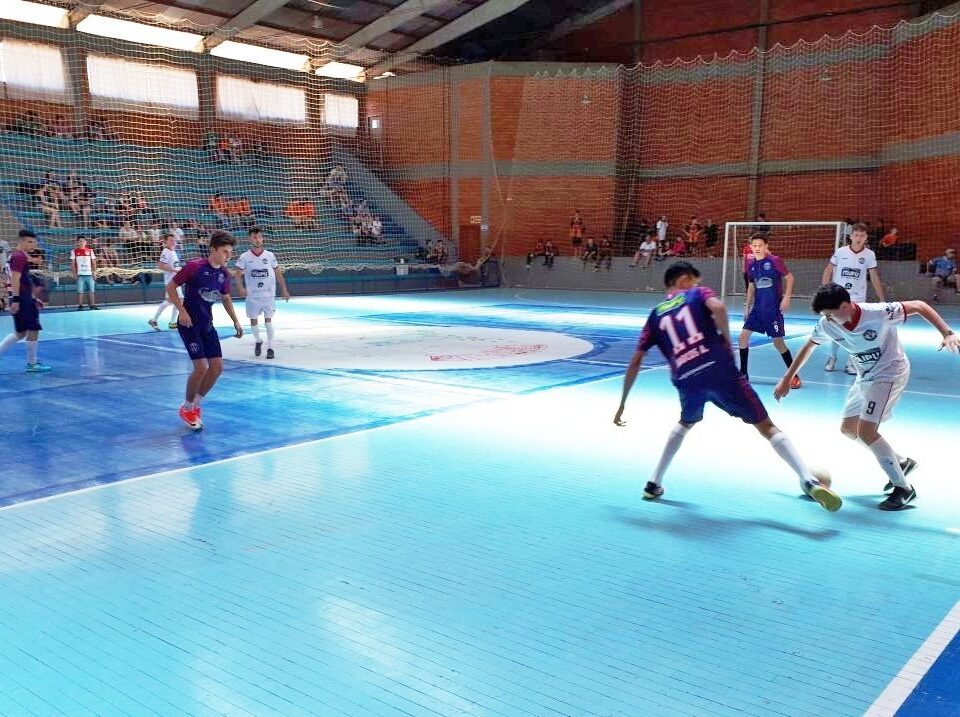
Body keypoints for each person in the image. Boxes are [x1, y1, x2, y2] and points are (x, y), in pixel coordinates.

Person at [613, 261, 842, 512]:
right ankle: (808, 480)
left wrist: (622, 404)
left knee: (686, 422)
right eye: (693, 280)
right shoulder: (697, 294)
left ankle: (653, 482)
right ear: (683, 280)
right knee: (765, 426)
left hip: (687, 379)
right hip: (718, 369)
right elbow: (719, 307)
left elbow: (636, 360)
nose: (696, 284)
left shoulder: (655, 314)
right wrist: (725, 342)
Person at [775, 283, 959, 510]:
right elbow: (809, 346)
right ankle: (901, 462)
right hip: (865, 377)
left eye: (830, 314)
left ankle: (904, 488)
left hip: (890, 373)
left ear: (845, 306)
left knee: (866, 431)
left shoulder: (878, 313)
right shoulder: (827, 324)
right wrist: (787, 378)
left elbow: (920, 306)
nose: (827, 319)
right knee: (848, 429)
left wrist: (947, 333)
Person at [166, 230, 243, 430]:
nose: (228, 256)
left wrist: (235, 321)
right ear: (213, 250)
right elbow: (171, 287)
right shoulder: (194, 267)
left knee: (217, 368)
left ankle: (195, 406)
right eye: (225, 252)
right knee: (200, 368)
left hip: (207, 325)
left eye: (230, 252)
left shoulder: (223, 274)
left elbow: (225, 298)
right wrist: (182, 311)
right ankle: (186, 408)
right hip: (189, 325)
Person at [821, 223, 885, 374]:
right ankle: (832, 357)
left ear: (866, 238)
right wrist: (824, 291)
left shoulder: (869, 255)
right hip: (839, 296)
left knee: (855, 330)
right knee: (836, 328)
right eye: (856, 235)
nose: (858, 238)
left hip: (858, 297)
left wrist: (881, 298)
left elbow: (874, 276)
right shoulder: (840, 252)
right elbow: (828, 270)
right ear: (851, 236)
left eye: (862, 236)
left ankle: (851, 363)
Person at [738, 234, 800, 387]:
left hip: (773, 310)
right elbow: (751, 285)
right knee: (743, 337)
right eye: (754, 246)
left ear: (766, 246)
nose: (757, 248)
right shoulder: (750, 264)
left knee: (778, 343)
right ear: (751, 248)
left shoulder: (774, 261)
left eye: (760, 245)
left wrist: (786, 298)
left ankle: (794, 375)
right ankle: (743, 374)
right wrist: (747, 306)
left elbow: (790, 277)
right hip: (757, 309)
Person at [233, 228, 290, 359]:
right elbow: (237, 273)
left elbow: (277, 272)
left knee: (268, 320)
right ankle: (258, 340)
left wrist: (284, 289)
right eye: (254, 237)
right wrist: (241, 288)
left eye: (259, 237)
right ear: (249, 239)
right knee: (253, 320)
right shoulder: (244, 257)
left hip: (268, 295)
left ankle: (270, 348)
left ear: (262, 238)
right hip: (252, 296)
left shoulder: (270, 255)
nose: (257, 240)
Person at [0, 231, 52, 372]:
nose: (33, 245)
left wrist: (34, 260)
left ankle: (31, 363)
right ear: (21, 241)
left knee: (20, 332)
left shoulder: (15, 255)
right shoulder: (19, 256)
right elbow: (15, 278)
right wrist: (17, 299)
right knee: (33, 329)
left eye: (34, 242)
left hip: (20, 297)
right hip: (22, 298)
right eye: (29, 242)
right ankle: (32, 364)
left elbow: (26, 259)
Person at [149, 232, 182, 330]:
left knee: (177, 300)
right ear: (165, 241)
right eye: (171, 240)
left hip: (176, 280)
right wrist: (174, 270)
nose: (173, 242)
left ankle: (170, 322)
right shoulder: (166, 251)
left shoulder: (173, 251)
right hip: (171, 281)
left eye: (174, 240)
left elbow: (175, 265)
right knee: (176, 300)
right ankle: (157, 320)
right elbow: (161, 266)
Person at [70, 235, 98, 311]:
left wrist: (94, 273)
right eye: (80, 241)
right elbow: (73, 264)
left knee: (91, 290)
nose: (81, 242)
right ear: (77, 242)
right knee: (80, 291)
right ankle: (80, 306)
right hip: (80, 275)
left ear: (86, 242)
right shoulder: (74, 251)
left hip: (89, 274)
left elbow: (94, 262)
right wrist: (74, 274)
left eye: (83, 241)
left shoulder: (90, 251)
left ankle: (92, 305)